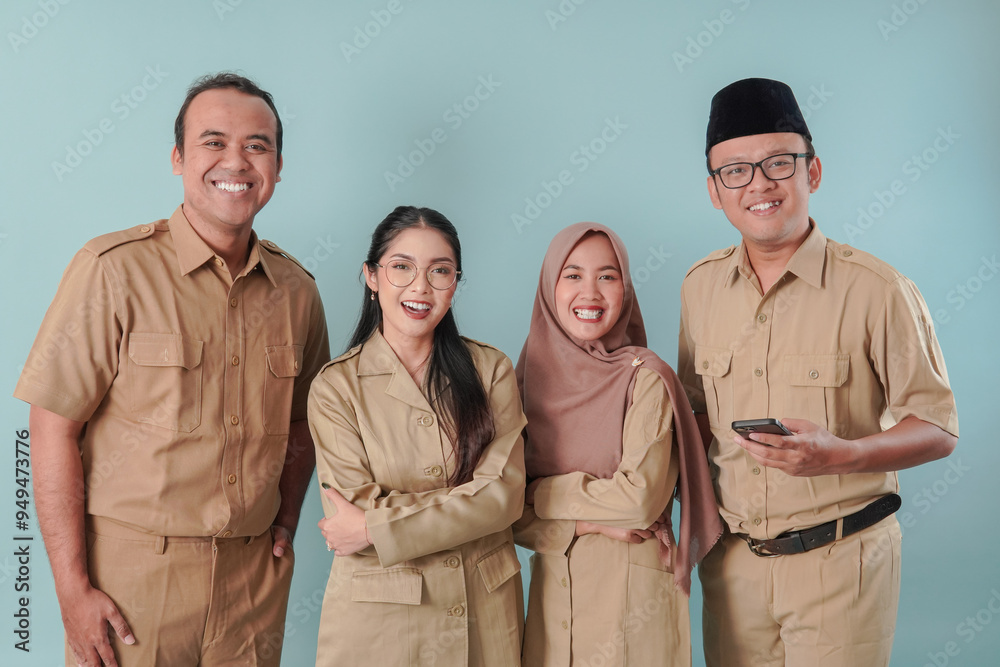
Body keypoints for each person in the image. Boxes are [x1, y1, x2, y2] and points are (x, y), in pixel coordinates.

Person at [14, 72, 330, 666]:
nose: (236, 160)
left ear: (278, 166)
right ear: (178, 157)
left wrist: (287, 517)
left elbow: (302, 423)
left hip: (253, 580)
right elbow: (50, 426)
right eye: (213, 141)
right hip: (132, 580)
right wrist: (69, 589)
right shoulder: (112, 270)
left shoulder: (297, 292)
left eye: (256, 145)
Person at [678, 77, 959, 666]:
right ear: (714, 191)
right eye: (735, 171)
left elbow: (937, 428)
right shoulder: (700, 286)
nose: (758, 184)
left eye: (778, 163)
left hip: (841, 562)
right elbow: (695, 413)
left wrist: (841, 455)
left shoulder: (877, 289)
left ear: (814, 172)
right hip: (732, 568)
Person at [309, 206, 526, 667]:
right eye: (401, 267)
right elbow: (353, 505)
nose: (420, 287)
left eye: (440, 271)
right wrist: (461, 508)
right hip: (381, 622)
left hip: (484, 611)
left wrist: (373, 527)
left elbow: (503, 497)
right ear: (371, 276)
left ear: (456, 282)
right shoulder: (335, 388)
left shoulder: (491, 371)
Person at [514, 223, 722, 666]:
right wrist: (586, 525)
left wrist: (538, 492)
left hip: (632, 601)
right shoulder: (528, 379)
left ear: (625, 289)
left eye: (607, 276)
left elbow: (639, 501)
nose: (590, 292)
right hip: (553, 601)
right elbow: (503, 516)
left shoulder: (646, 377)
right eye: (572, 275)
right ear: (549, 286)